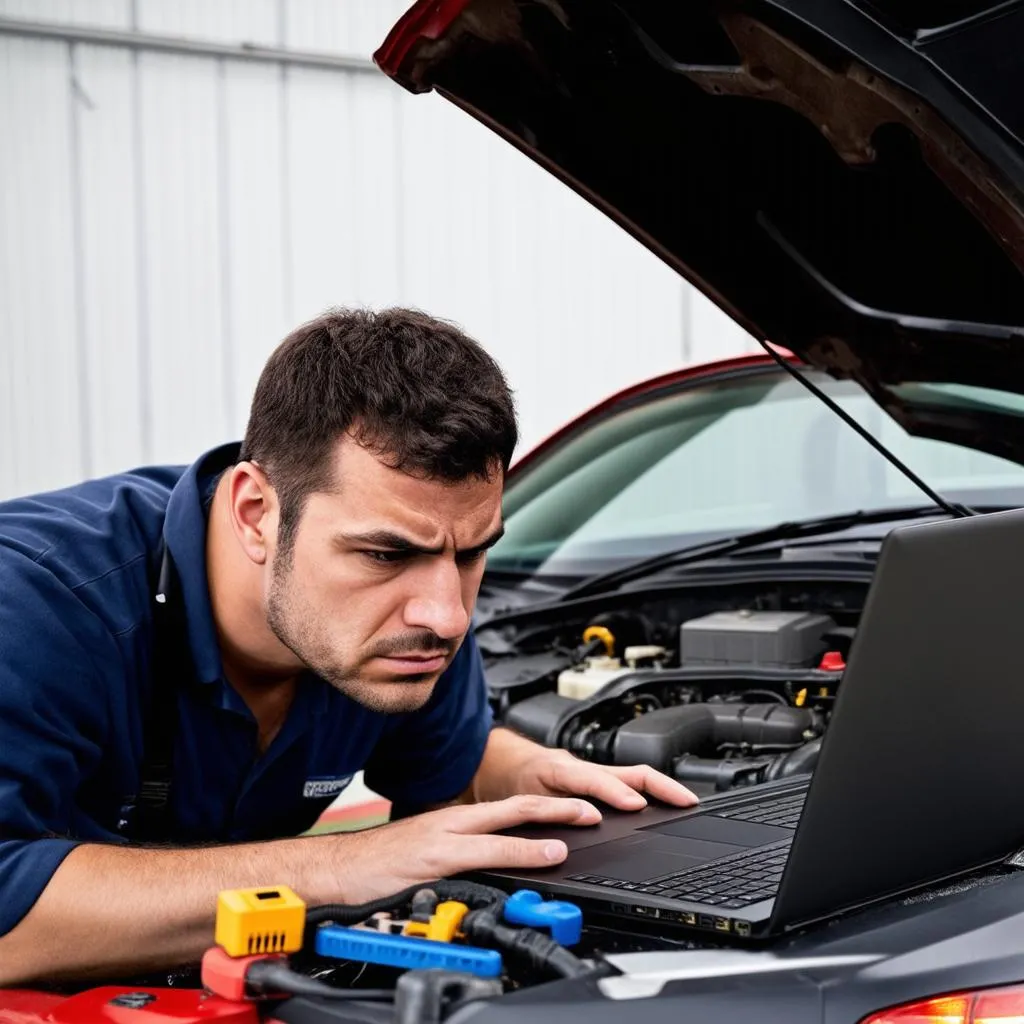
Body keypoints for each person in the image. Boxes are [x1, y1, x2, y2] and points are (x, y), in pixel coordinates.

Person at [0, 308, 697, 986]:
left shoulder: (409, 625)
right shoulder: (37, 607)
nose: (448, 615)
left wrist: (524, 778)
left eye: (471, 554)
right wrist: (338, 868)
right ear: (256, 514)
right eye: (385, 554)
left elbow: (441, 776)